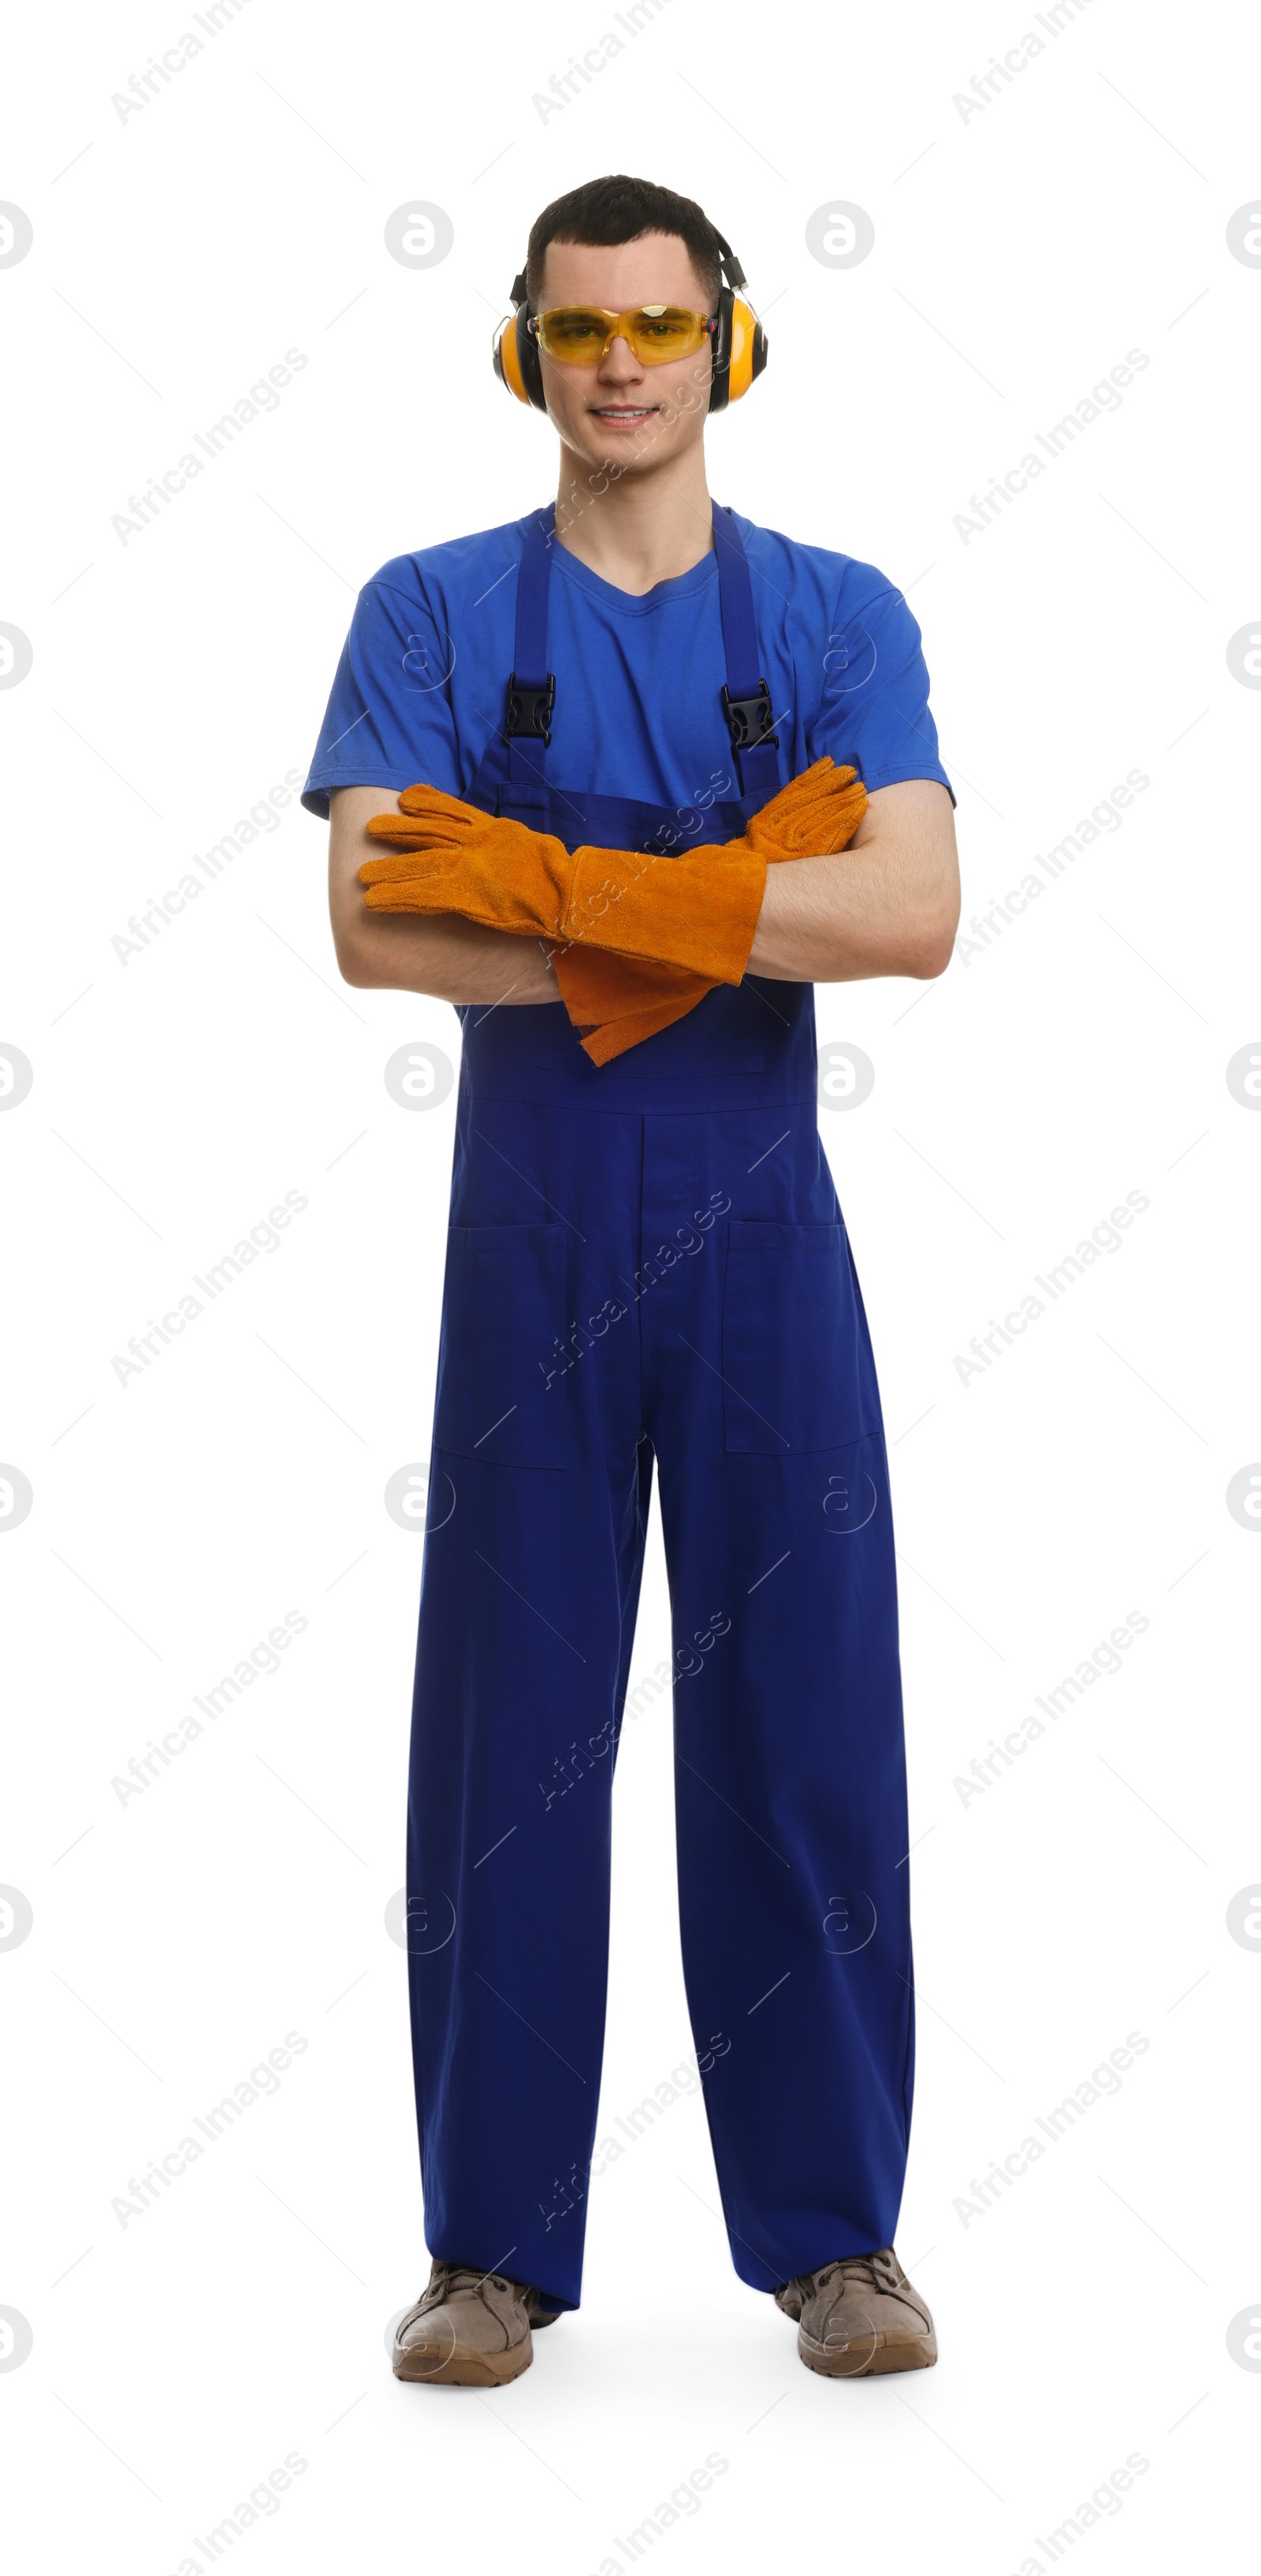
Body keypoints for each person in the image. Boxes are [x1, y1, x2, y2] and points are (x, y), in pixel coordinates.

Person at [303, 173, 960, 2388]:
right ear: (523, 354)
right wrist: (732, 889)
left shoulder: (844, 614)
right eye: (579, 329)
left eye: (660, 327)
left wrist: (559, 897)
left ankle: (836, 2240)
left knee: (800, 1728)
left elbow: (912, 920)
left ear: (730, 347)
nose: (619, 364)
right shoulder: (423, 610)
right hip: (535, 1235)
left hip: (767, 1238)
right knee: (510, 1738)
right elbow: (379, 932)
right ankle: (489, 2253)